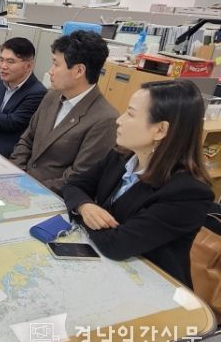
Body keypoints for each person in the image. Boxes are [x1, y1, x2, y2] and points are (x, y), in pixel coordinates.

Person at [63, 80, 213, 287]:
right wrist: (85, 206)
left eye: (131, 114)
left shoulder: (188, 193)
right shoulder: (121, 156)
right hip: (109, 268)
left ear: (160, 130)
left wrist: (81, 214)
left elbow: (117, 245)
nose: (119, 120)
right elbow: (74, 184)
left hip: (153, 285)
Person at [10, 31, 117, 194]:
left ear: (79, 71)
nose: (50, 71)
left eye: (56, 64)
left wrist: (28, 188)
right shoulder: (52, 96)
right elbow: (27, 139)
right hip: (20, 182)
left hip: (50, 195)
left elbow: (78, 176)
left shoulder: (105, 119)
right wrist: (15, 174)